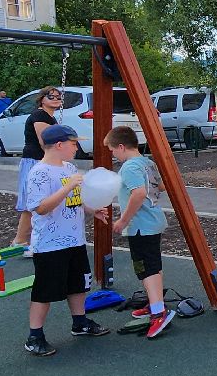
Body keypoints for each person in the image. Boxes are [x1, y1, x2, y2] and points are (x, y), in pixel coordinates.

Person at [21, 124, 111, 356]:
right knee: (45, 290)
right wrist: (69, 185)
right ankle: (35, 336)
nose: (76, 147)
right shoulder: (39, 173)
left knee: (78, 284)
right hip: (50, 244)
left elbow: (74, 199)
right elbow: (40, 208)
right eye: (73, 143)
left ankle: (79, 322)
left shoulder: (69, 167)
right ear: (59, 145)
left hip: (74, 240)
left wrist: (92, 210)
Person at [107, 125, 174, 340]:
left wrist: (123, 220)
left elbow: (139, 193)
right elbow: (160, 186)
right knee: (152, 265)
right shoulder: (148, 163)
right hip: (153, 221)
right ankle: (155, 303)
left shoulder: (129, 167)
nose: (113, 155)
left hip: (140, 225)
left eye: (112, 150)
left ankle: (158, 313)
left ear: (120, 146)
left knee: (146, 268)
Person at [14, 87, 62, 249]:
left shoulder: (50, 117)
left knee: (44, 200)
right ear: (42, 99)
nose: (55, 99)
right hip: (34, 160)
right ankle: (20, 240)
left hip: (41, 160)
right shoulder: (39, 115)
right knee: (33, 202)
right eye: (51, 96)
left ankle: (34, 238)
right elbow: (45, 141)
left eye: (58, 97)